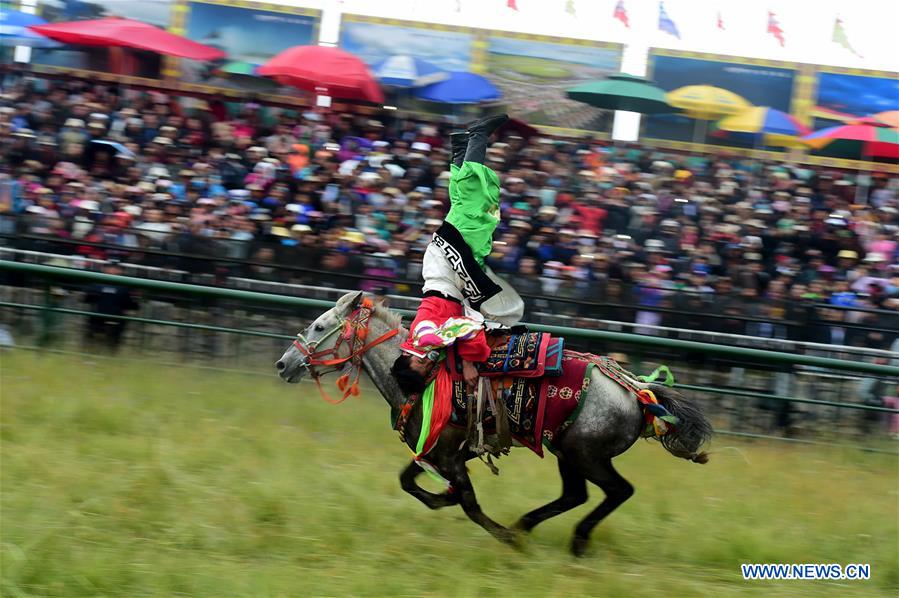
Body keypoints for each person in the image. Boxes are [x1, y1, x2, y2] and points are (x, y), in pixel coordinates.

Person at [391, 114, 523, 396]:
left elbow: (465, 328)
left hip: (448, 268)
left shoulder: (424, 336)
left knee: (475, 204)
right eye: (425, 370)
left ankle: (478, 135)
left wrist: (470, 362)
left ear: (408, 358)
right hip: (448, 272)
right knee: (464, 203)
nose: (426, 365)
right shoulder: (424, 340)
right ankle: (460, 147)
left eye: (419, 365)